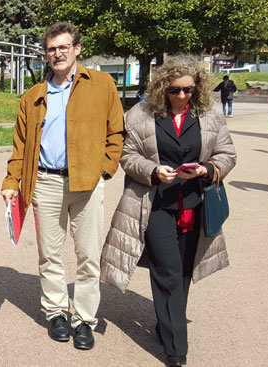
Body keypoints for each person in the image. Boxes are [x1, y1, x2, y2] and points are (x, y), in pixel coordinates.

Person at [101, 58, 236, 367]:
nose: (182, 95)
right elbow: (127, 155)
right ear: (163, 88)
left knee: (184, 272)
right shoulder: (140, 114)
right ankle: (176, 349)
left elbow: (227, 154)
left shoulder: (211, 113)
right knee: (168, 271)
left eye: (189, 89)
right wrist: (152, 170)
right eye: (175, 90)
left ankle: (166, 327)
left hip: (195, 204)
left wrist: (206, 169)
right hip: (155, 204)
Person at [1, 22, 124, 350]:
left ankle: (83, 319)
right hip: (45, 182)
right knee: (50, 254)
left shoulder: (101, 85)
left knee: (88, 255)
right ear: (46, 54)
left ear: (77, 49)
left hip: (87, 182)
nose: (57, 53)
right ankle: (56, 311)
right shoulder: (33, 96)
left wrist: (105, 171)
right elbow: (20, 145)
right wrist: (12, 180)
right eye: (51, 49)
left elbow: (116, 132)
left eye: (63, 47)